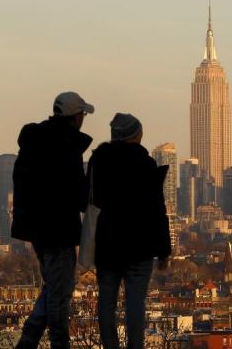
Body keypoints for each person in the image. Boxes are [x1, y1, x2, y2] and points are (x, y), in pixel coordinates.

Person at [12, 92, 94, 349]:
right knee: (59, 295)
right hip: (59, 229)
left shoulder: (34, 142)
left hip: (37, 230)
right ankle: (56, 344)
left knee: (54, 288)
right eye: (82, 114)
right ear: (75, 117)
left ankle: (28, 341)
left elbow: (22, 184)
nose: (84, 118)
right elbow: (77, 193)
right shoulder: (65, 147)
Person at [88, 113, 171, 349]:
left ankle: (110, 346)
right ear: (136, 135)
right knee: (135, 303)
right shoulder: (145, 164)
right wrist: (164, 252)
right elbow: (157, 211)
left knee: (106, 301)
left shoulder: (98, 161)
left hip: (108, 243)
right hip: (139, 245)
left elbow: (90, 200)